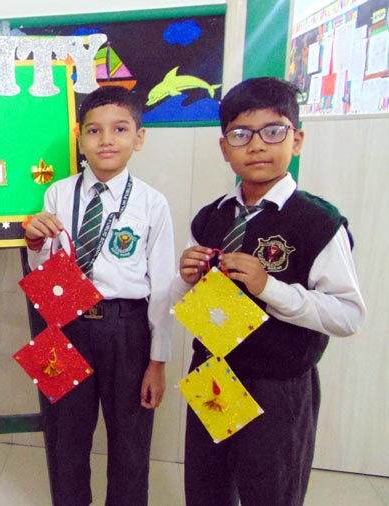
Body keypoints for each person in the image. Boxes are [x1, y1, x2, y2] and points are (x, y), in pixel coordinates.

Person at [173, 77, 366, 506]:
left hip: (277, 385)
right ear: (225, 148)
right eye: (241, 134)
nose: (257, 145)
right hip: (213, 376)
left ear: (296, 140)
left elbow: (348, 315)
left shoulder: (318, 222)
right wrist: (184, 279)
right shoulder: (210, 217)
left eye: (273, 131)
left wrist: (269, 288)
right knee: (206, 489)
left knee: (271, 493)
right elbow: (187, 303)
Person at [24, 86, 175, 506]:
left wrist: (158, 361)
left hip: (126, 329)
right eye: (94, 130)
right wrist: (35, 245)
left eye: (120, 129)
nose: (106, 140)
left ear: (139, 138)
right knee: (65, 437)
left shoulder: (152, 204)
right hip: (66, 327)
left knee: (130, 441)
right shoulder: (58, 194)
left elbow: (163, 286)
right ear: (80, 138)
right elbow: (45, 273)